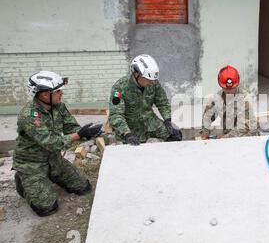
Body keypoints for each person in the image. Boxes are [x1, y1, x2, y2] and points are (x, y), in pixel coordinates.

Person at [13, 71, 103, 217]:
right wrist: (78, 135)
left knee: (83, 187)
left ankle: (49, 176)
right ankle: (23, 182)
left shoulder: (59, 107)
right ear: (44, 95)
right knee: (47, 208)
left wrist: (85, 132)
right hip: (31, 164)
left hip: (53, 159)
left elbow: (70, 127)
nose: (61, 94)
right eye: (57, 91)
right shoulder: (29, 115)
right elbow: (51, 143)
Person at [109, 54, 182, 145]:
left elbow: (162, 102)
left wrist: (168, 120)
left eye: (152, 79)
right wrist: (127, 133)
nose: (151, 82)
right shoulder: (119, 88)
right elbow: (115, 114)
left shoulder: (153, 83)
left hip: (150, 122)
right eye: (147, 79)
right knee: (134, 149)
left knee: (176, 135)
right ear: (136, 74)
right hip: (131, 128)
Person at [200, 65, 258, 139]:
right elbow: (207, 118)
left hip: (247, 136)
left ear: (237, 84)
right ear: (220, 85)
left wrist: (224, 138)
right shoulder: (216, 98)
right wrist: (205, 132)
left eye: (232, 88)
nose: (229, 91)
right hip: (227, 134)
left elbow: (243, 128)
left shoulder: (245, 99)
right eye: (226, 88)